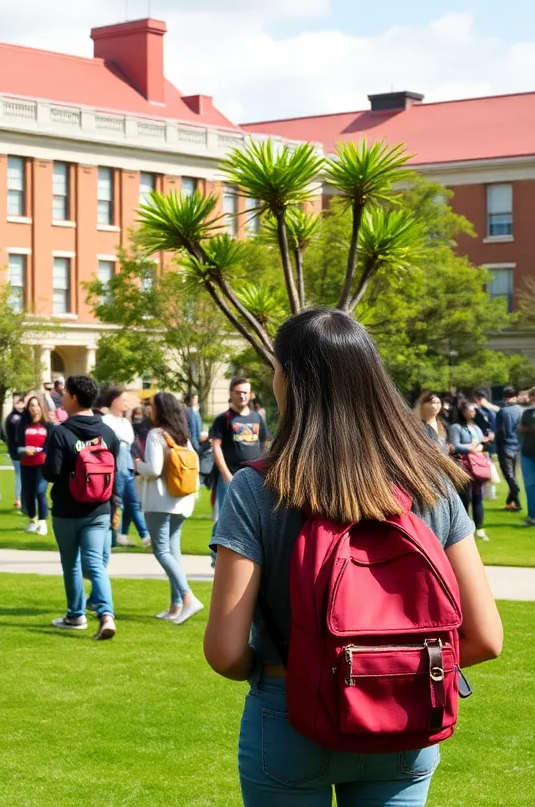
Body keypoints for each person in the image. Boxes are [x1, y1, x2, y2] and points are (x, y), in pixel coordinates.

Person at [205, 308, 503, 807]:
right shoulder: (432, 482)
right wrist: (386, 667)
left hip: (289, 712)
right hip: (405, 709)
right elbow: (487, 638)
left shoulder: (257, 489)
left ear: (291, 380)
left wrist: (310, 670)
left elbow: (226, 653)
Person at [42, 375, 120, 641]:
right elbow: (114, 471)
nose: (61, 397)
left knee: (71, 564)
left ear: (74, 398)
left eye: (64, 394)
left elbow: (51, 472)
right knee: (96, 564)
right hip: (99, 509)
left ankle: (76, 615)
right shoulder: (108, 432)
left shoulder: (61, 432)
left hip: (67, 508)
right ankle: (106, 615)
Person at [136, 392, 203, 625]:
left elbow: (153, 469)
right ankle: (176, 605)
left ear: (160, 410)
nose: (148, 409)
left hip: (160, 500)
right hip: (182, 500)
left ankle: (187, 597)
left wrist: (138, 466)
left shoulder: (156, 434)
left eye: (151, 405)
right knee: (173, 552)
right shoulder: (182, 435)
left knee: (161, 551)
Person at [209, 378, 270, 534]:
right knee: (224, 518)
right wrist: (225, 474)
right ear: (231, 394)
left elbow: (265, 443)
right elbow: (216, 446)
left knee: (253, 518)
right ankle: (215, 556)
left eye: (245, 392)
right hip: (230, 476)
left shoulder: (257, 418)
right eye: (238, 393)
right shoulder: (224, 419)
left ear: (250, 394)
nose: (242, 396)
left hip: (253, 476)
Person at [99, 385, 148, 548]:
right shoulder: (106, 421)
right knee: (118, 501)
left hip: (127, 465)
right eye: (124, 400)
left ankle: (124, 535)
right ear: (114, 401)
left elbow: (131, 443)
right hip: (115, 464)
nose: (127, 403)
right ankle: (118, 535)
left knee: (132, 502)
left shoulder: (126, 422)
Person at [450, 398, 489, 542]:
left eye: (474, 410)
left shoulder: (475, 427)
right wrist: (469, 447)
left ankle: (480, 529)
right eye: (470, 410)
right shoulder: (456, 427)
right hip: (464, 466)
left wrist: (480, 446)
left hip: (477, 466)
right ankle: (466, 530)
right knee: (465, 498)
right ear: (463, 411)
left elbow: (481, 442)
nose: (473, 412)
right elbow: (454, 445)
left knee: (478, 498)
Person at [17, 395, 52, 535]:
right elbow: (17, 444)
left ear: (41, 407)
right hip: (26, 464)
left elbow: (50, 446)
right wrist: (24, 450)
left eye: (36, 405)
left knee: (40, 491)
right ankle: (32, 520)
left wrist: (39, 451)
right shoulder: (23, 424)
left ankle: (43, 522)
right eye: (31, 405)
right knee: (29, 494)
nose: (34, 408)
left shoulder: (48, 425)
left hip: (42, 464)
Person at [494, 386, 522, 512]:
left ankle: (515, 492)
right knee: (513, 474)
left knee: (508, 475)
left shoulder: (502, 411)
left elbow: (500, 431)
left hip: (505, 446)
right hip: (517, 446)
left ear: (505, 396)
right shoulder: (520, 410)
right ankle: (512, 502)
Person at [5, 394, 26, 510]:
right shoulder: (15, 418)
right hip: (17, 451)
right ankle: (19, 499)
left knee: (20, 475)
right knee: (20, 475)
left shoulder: (15, 417)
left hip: (16, 450)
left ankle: (20, 498)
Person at [518, 391, 535, 527]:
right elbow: (520, 429)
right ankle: (532, 517)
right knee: (530, 486)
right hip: (527, 453)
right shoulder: (527, 413)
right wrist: (530, 428)